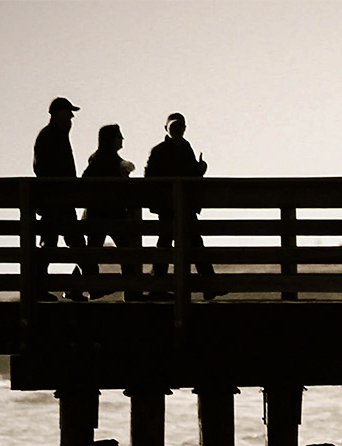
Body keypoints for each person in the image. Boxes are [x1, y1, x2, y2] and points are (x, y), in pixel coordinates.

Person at [145, 112, 220, 299]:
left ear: (184, 129)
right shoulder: (159, 151)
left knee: (193, 244)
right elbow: (149, 179)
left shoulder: (187, 148)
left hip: (185, 206)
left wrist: (200, 170)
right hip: (167, 207)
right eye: (174, 127)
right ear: (166, 129)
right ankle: (159, 287)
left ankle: (207, 285)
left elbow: (192, 177)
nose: (177, 130)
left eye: (180, 127)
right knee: (166, 245)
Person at [32, 96, 85, 301]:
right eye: (68, 112)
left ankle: (74, 288)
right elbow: (42, 169)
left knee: (55, 245)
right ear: (56, 113)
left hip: (59, 201)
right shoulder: (50, 136)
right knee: (61, 244)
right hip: (56, 201)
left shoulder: (54, 135)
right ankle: (75, 288)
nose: (71, 116)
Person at [80, 124, 137, 298]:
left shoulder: (100, 158)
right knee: (125, 252)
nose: (122, 139)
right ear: (111, 139)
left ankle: (77, 288)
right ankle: (131, 292)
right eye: (119, 136)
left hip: (99, 214)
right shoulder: (106, 159)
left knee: (92, 253)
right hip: (110, 213)